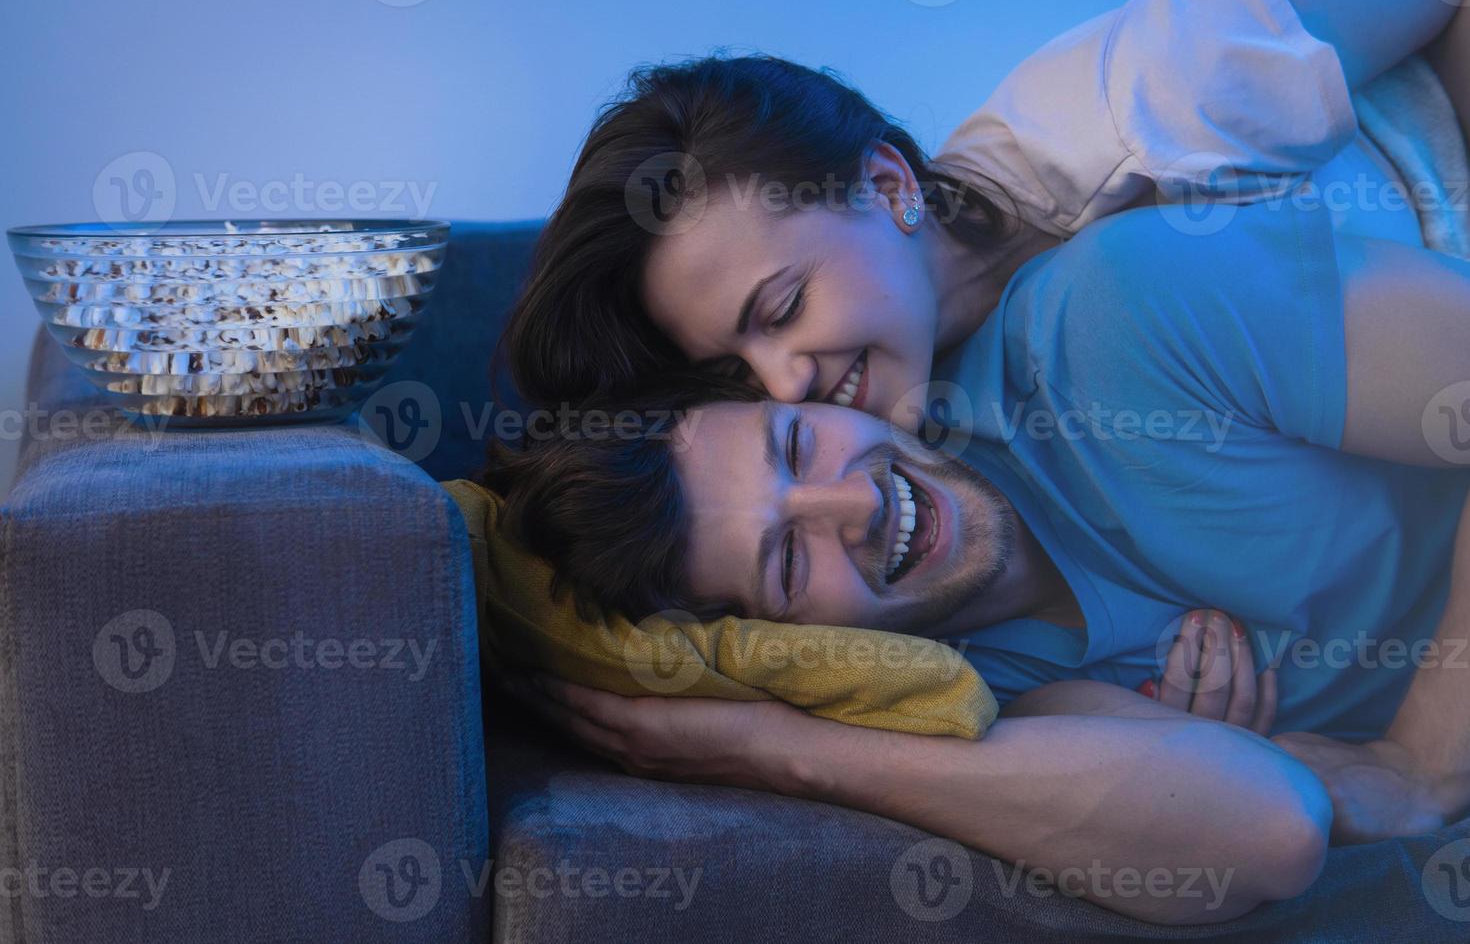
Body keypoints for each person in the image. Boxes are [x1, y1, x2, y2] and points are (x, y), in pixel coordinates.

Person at [488, 197, 1470, 923]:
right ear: (777, 640)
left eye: (796, 446)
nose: (853, 502)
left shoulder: (1120, 315)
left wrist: (1419, 758)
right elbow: (1268, 828)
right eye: (787, 563)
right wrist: (775, 747)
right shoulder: (982, 683)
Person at [501, 0, 1470, 432]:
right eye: (737, 367)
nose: (785, 381)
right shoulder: (915, 440)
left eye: (781, 309)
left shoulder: (1152, 101)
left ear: (886, 186)